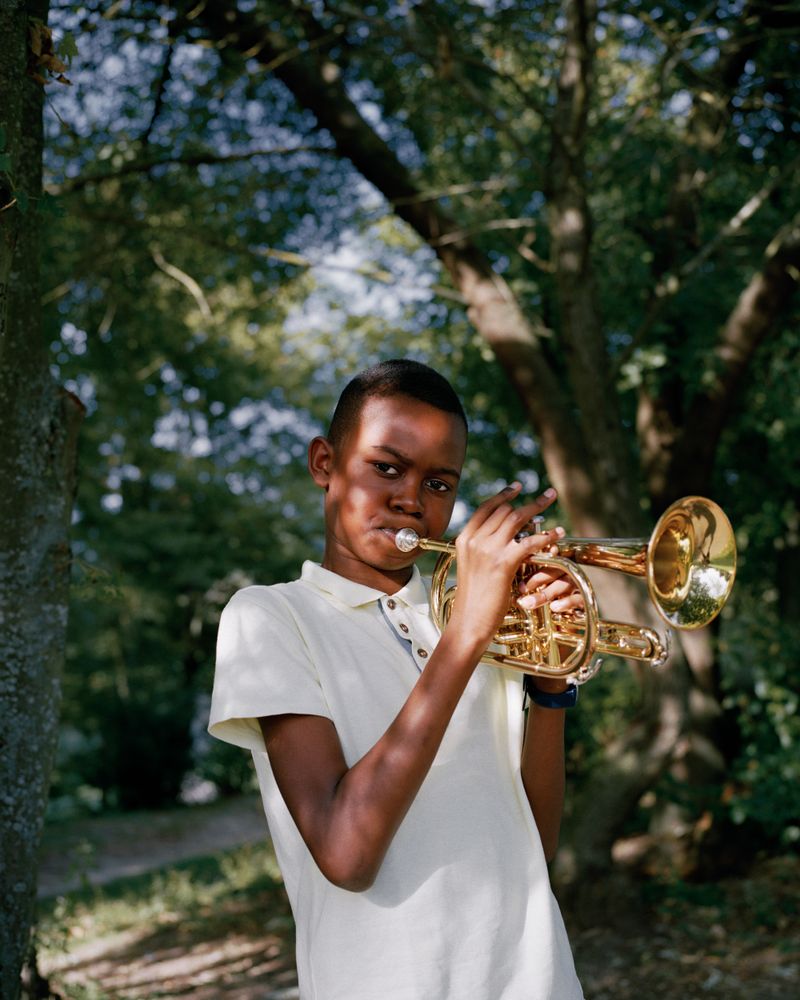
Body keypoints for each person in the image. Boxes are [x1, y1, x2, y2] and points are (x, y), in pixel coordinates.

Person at [209, 359, 585, 999]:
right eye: (386, 467)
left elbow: (534, 845)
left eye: (440, 484)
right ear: (325, 463)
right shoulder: (270, 616)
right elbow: (346, 853)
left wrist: (549, 683)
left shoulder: (469, 621)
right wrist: (467, 634)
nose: (411, 499)